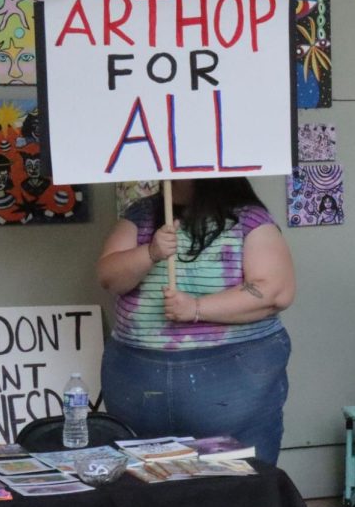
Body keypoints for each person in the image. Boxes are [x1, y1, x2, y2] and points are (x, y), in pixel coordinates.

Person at [96, 178, 296, 464]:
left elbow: (276, 291)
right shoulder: (140, 215)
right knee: (145, 479)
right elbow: (109, 277)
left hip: (235, 379)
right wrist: (150, 252)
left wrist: (197, 308)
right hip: (137, 373)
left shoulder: (249, 219)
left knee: (240, 477)